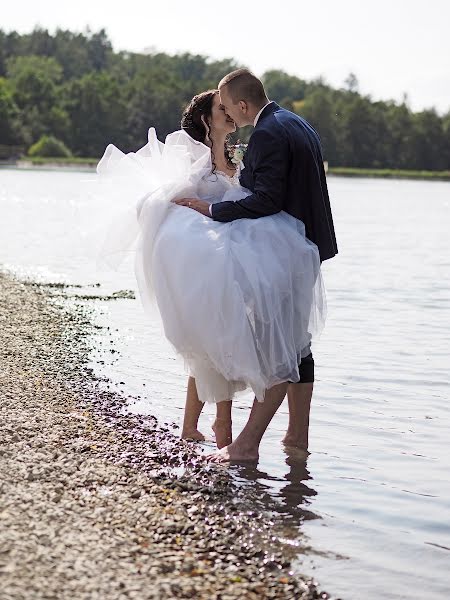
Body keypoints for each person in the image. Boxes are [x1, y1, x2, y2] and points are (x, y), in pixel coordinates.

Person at [97, 88, 326, 454]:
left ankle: (213, 425)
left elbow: (245, 192)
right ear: (207, 118)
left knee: (215, 338)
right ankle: (220, 425)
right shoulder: (196, 161)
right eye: (222, 109)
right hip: (208, 248)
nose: (231, 113)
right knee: (214, 336)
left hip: (234, 240)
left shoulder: (236, 153)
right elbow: (173, 202)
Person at [175, 70, 337, 462]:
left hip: (285, 251)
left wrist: (211, 210)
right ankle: (296, 440)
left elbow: (265, 199)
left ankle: (248, 445)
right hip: (304, 246)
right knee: (297, 346)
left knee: (279, 349)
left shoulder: (267, 132)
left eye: (229, 105)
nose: (230, 114)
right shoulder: (297, 123)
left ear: (243, 105)